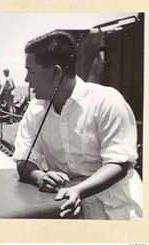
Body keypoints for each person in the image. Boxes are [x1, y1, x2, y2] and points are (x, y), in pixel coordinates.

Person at [12, 31, 142, 220]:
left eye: (31, 71)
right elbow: (24, 159)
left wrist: (77, 190)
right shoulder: (35, 109)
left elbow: (118, 163)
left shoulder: (106, 100)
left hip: (118, 211)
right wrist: (40, 177)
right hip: (68, 207)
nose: (26, 80)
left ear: (56, 72)